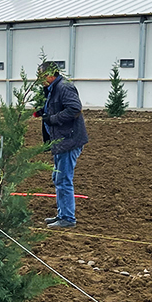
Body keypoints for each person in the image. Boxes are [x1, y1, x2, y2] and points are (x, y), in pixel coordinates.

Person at [34, 62, 88, 228]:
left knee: (63, 179)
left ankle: (68, 219)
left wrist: (53, 119)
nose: (39, 79)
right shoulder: (52, 89)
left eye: (42, 76)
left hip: (68, 140)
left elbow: (74, 109)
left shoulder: (64, 87)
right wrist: (42, 112)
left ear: (51, 74)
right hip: (60, 140)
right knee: (58, 178)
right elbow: (55, 107)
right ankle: (62, 214)